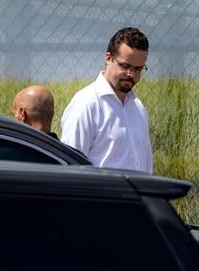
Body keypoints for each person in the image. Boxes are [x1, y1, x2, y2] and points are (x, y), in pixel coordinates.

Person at [60, 27, 153, 173]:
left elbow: (146, 166)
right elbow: (71, 167)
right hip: (101, 195)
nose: (131, 74)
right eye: (125, 66)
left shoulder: (138, 107)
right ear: (108, 58)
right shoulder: (86, 104)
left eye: (138, 69)